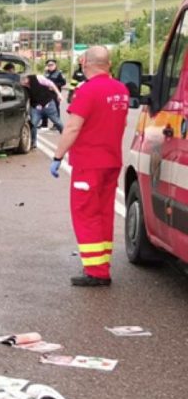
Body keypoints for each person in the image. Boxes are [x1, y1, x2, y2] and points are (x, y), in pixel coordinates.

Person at [49, 46, 129, 287]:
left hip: (89, 164)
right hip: (111, 161)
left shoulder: (87, 91)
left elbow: (73, 127)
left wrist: (57, 156)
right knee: (104, 213)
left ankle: (96, 271)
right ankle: (102, 262)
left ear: (84, 63)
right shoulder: (121, 89)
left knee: (86, 214)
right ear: (109, 63)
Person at [20, 74, 64, 148]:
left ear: (27, 78)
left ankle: (66, 136)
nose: (23, 83)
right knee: (33, 124)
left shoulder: (38, 78)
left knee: (57, 122)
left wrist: (59, 94)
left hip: (48, 104)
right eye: (22, 82)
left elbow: (51, 84)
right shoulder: (24, 87)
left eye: (24, 80)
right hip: (36, 107)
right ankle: (33, 143)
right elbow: (26, 99)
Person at [43, 59, 66, 127]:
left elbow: (63, 82)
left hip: (55, 93)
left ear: (55, 65)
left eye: (52, 65)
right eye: (48, 65)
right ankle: (44, 124)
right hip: (46, 93)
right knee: (44, 107)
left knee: (55, 108)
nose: (50, 66)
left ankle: (56, 124)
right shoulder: (46, 73)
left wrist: (54, 86)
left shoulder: (59, 73)